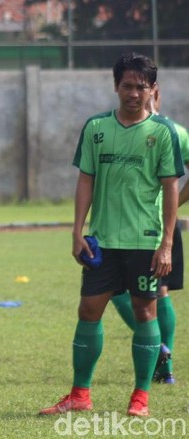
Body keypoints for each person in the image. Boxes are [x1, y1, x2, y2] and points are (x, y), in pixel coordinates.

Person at [39, 53, 183, 418]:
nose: (133, 93)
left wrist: (167, 244)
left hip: (144, 240)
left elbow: (170, 191)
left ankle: (141, 397)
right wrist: (77, 231)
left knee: (144, 310)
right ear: (115, 86)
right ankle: (79, 394)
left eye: (140, 87)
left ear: (152, 90)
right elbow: (86, 179)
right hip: (103, 238)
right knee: (88, 309)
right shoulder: (96, 128)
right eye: (126, 86)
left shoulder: (163, 133)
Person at [109, 82, 188, 385]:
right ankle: (162, 355)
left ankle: (163, 362)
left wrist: (171, 206)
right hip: (122, 224)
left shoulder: (173, 132)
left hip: (157, 230)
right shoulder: (122, 128)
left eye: (145, 89)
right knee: (130, 292)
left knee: (154, 293)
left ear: (155, 94)